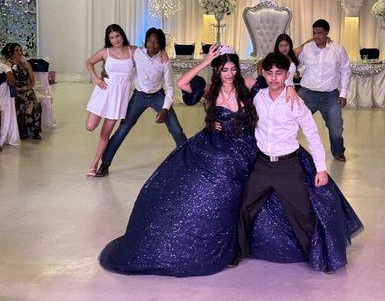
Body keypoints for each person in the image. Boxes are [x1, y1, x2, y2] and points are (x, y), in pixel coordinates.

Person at [99, 45, 299, 277]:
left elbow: (275, 84)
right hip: (216, 144)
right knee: (196, 180)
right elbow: (182, 83)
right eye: (224, 69)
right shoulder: (211, 90)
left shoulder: (247, 85)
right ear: (217, 70)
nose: (230, 74)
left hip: (245, 147)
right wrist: (205, 62)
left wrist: (290, 88)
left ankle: (241, 238)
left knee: (233, 174)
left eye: (233, 69)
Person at [237, 52, 363, 273]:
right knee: (244, 207)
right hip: (262, 166)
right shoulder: (258, 97)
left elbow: (313, 135)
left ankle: (320, 257)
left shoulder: (295, 102)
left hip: (288, 167)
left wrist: (321, 169)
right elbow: (231, 83)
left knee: (303, 214)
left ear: (287, 75)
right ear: (263, 74)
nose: (274, 77)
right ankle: (238, 251)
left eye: (279, 73)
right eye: (269, 73)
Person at [94, 28, 187, 177]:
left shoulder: (164, 61)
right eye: (150, 40)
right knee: (123, 129)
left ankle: (188, 160)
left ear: (161, 44)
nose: (152, 44)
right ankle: (105, 164)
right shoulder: (137, 53)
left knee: (176, 129)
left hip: (158, 95)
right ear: (145, 41)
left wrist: (165, 109)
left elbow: (170, 88)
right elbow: (120, 60)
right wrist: (106, 72)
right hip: (139, 96)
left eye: (156, 42)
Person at [85, 24, 137, 178]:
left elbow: (150, 53)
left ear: (122, 35)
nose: (116, 40)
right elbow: (89, 62)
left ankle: (94, 164)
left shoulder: (132, 50)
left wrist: (163, 53)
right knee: (90, 126)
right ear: (109, 39)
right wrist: (95, 78)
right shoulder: (105, 52)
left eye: (118, 36)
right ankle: (96, 162)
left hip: (119, 96)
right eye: (112, 37)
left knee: (105, 133)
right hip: (104, 91)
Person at [298, 19, 351, 162]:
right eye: (314, 33)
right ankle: (284, 150)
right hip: (307, 94)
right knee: (291, 122)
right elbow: (296, 64)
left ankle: (338, 152)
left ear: (327, 33)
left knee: (336, 127)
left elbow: (346, 71)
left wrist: (343, 93)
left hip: (330, 96)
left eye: (319, 33)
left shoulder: (338, 49)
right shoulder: (306, 48)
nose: (316, 36)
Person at [1, 43, 42, 140]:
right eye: (17, 50)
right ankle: (27, 129)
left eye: (20, 50)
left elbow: (32, 81)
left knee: (33, 101)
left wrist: (27, 87)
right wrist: (18, 89)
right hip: (14, 91)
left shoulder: (25, 64)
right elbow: (8, 83)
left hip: (26, 89)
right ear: (11, 53)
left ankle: (33, 130)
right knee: (28, 100)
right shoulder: (7, 66)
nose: (20, 52)